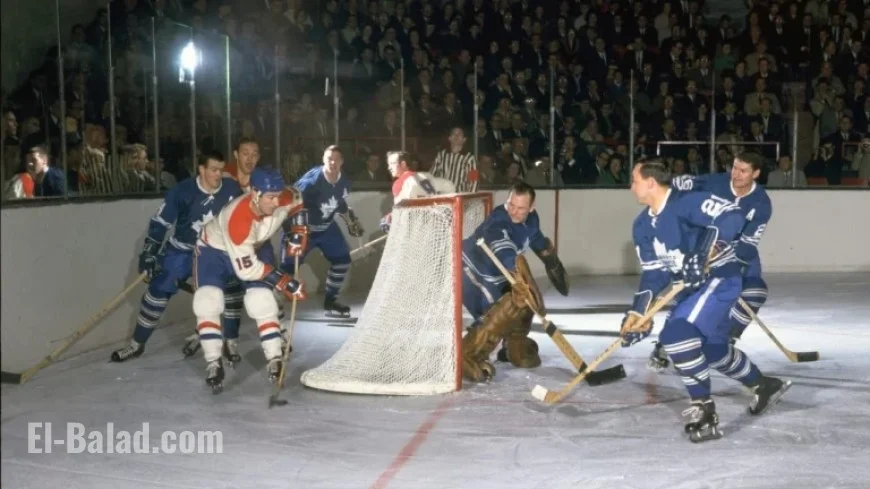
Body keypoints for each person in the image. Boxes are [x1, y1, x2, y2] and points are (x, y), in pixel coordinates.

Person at [622, 158, 790, 442]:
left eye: (634, 180)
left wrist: (703, 252)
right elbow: (654, 275)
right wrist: (638, 313)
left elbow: (732, 217)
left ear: (650, 182)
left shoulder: (686, 202)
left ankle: (704, 409)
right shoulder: (641, 226)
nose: (631, 187)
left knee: (676, 337)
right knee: (713, 350)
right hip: (692, 290)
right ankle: (764, 384)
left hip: (720, 280)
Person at [111, 151, 243, 363]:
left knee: (229, 289)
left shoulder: (231, 189)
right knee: (158, 290)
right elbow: (160, 223)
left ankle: (226, 339)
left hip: (215, 250)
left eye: (221, 170)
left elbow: (242, 219)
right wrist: (149, 254)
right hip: (182, 249)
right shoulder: (182, 191)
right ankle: (136, 344)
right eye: (214, 170)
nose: (219, 175)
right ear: (201, 169)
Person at [651, 151, 772, 370]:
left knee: (756, 291)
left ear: (756, 173)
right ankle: (663, 345)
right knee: (689, 295)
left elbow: (747, 245)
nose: (735, 174)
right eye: (734, 167)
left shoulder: (762, 203)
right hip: (699, 246)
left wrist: (720, 254)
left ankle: (724, 340)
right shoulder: (715, 182)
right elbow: (679, 185)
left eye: (743, 171)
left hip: (735, 252)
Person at [193, 167, 308, 393]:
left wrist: (298, 231)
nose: (276, 202)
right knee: (208, 300)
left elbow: (297, 202)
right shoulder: (237, 219)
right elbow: (248, 271)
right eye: (270, 197)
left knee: (262, 298)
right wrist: (285, 281)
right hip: (214, 250)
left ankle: (275, 357)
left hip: (254, 245)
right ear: (255, 193)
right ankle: (213, 361)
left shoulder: (284, 194)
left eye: (278, 195)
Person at [459, 181, 568, 382]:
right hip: (470, 270)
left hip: (497, 273)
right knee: (508, 306)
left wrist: (549, 256)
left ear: (531, 208)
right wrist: (518, 271)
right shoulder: (498, 220)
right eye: (511, 205)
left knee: (523, 301)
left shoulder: (531, 219)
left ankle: (514, 345)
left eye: (521, 208)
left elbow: (534, 238)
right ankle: (468, 354)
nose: (514, 212)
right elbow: (504, 248)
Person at [282, 145, 364, 318]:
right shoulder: (310, 184)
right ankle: (273, 308)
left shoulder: (344, 182)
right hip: (304, 230)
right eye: (329, 159)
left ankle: (330, 301)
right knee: (286, 270)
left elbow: (338, 203)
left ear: (342, 162)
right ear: (323, 160)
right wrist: (292, 232)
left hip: (326, 228)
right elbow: (290, 203)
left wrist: (351, 220)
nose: (332, 163)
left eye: (336, 159)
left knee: (342, 261)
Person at [379, 150, 456, 233]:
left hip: (416, 229)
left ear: (403, 164)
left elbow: (400, 213)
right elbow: (450, 186)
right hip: (436, 226)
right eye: (388, 164)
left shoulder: (400, 182)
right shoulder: (426, 176)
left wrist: (390, 218)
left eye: (392, 163)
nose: (389, 167)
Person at [430, 127, 478, 193]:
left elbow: (474, 181)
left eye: (459, 134)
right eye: (454, 134)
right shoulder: (441, 155)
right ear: (449, 138)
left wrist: (469, 199)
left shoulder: (470, 158)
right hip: (443, 196)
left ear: (464, 139)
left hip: (459, 197)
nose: (456, 136)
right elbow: (432, 175)